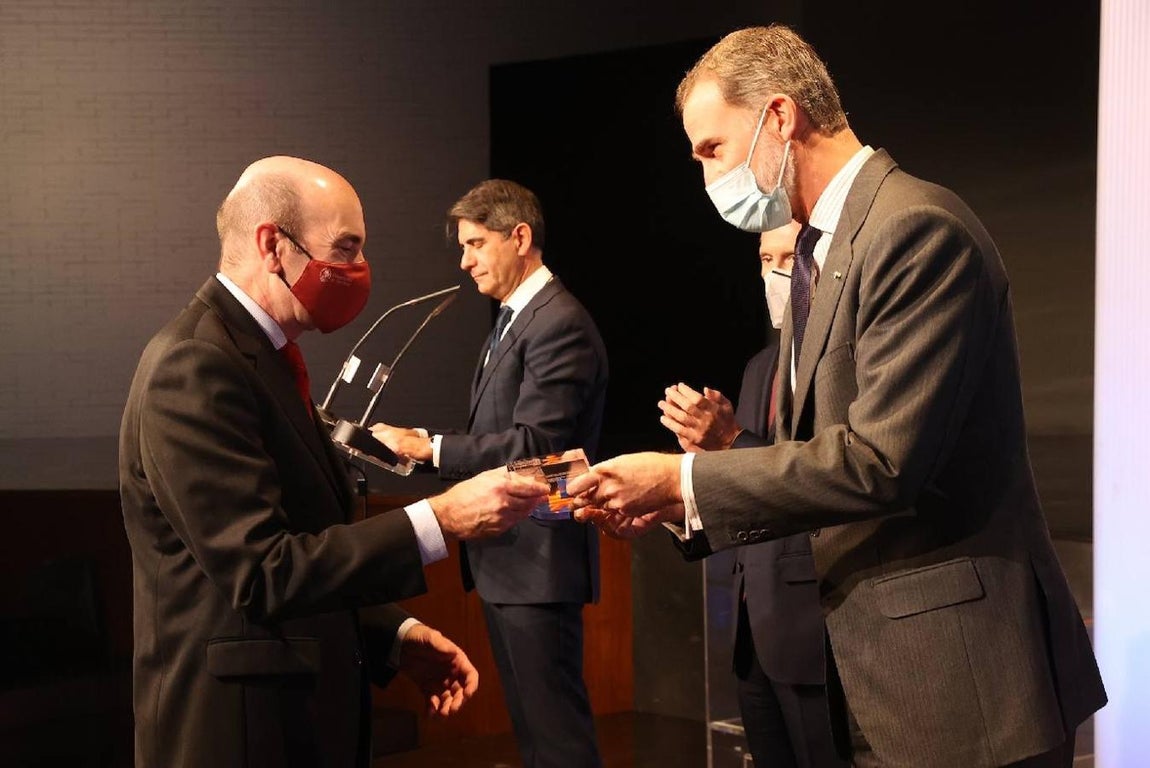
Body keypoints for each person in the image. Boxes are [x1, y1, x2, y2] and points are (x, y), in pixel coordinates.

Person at [568, 25, 1106, 767]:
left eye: (712, 150)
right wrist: (678, 504)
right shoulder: (823, 253)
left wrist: (684, 475)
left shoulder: (915, 228)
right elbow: (803, 461)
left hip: (959, 686)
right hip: (873, 674)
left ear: (780, 117)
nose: (705, 181)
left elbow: (880, 462)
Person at [118, 156, 551, 768]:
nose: (358, 270)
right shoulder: (194, 365)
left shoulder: (262, 357)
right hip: (237, 735)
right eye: (345, 249)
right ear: (273, 245)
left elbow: (303, 542)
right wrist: (440, 519)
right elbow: (262, 571)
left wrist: (392, 635)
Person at [371, 179, 608, 767]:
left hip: (538, 561)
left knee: (557, 738)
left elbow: (538, 444)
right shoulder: (513, 320)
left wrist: (433, 449)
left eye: (476, 243)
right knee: (535, 734)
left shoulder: (557, 323)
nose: (465, 260)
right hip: (512, 560)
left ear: (519, 237)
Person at [659, 221, 844, 768]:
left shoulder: (842, 353)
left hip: (815, 628)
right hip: (752, 632)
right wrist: (675, 499)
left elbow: (822, 476)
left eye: (788, 257)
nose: (775, 274)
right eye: (765, 260)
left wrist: (730, 441)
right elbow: (748, 485)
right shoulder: (760, 365)